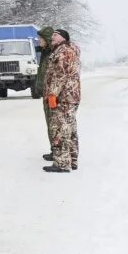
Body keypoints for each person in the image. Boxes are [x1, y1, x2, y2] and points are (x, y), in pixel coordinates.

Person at [42, 28, 81, 173]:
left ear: (63, 38)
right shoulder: (68, 50)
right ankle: (72, 159)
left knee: (60, 128)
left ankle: (62, 163)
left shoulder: (64, 51)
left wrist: (52, 94)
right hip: (70, 96)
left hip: (63, 97)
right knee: (70, 127)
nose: (52, 37)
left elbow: (60, 75)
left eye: (55, 35)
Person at [34, 27, 55, 162]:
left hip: (52, 94)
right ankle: (54, 149)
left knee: (54, 123)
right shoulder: (45, 52)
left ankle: (57, 151)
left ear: (47, 39)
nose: (38, 40)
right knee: (50, 123)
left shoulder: (51, 54)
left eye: (41, 38)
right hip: (46, 93)